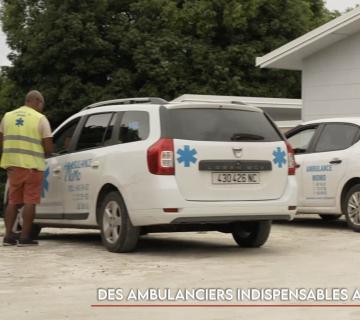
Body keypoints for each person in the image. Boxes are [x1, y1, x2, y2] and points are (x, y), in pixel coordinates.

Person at [0, 90, 53, 246]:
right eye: (42, 104)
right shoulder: (40, 119)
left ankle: (8, 236)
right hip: (33, 167)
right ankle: (25, 237)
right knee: (30, 200)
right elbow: (48, 147)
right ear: (37, 101)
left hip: (12, 166)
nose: (42, 107)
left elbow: (1, 141)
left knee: (13, 201)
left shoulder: (7, 116)